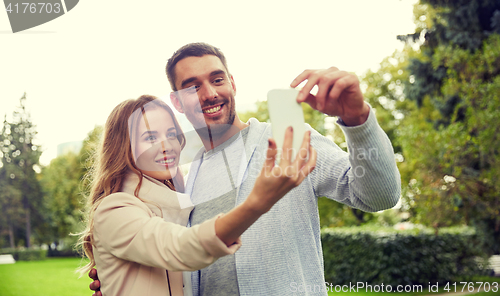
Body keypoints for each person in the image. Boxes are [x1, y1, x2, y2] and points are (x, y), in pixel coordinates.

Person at [90, 43, 401, 295]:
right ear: (178, 102)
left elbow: (380, 196)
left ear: (232, 83)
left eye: (217, 79)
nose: (210, 93)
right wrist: (120, 277)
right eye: (192, 86)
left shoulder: (285, 139)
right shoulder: (184, 178)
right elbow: (174, 249)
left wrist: (358, 120)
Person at [80, 94, 316, 296]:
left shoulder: (181, 200)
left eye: (171, 134)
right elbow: (181, 247)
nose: (167, 145)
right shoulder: (115, 209)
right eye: (150, 137)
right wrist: (257, 203)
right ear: (123, 147)